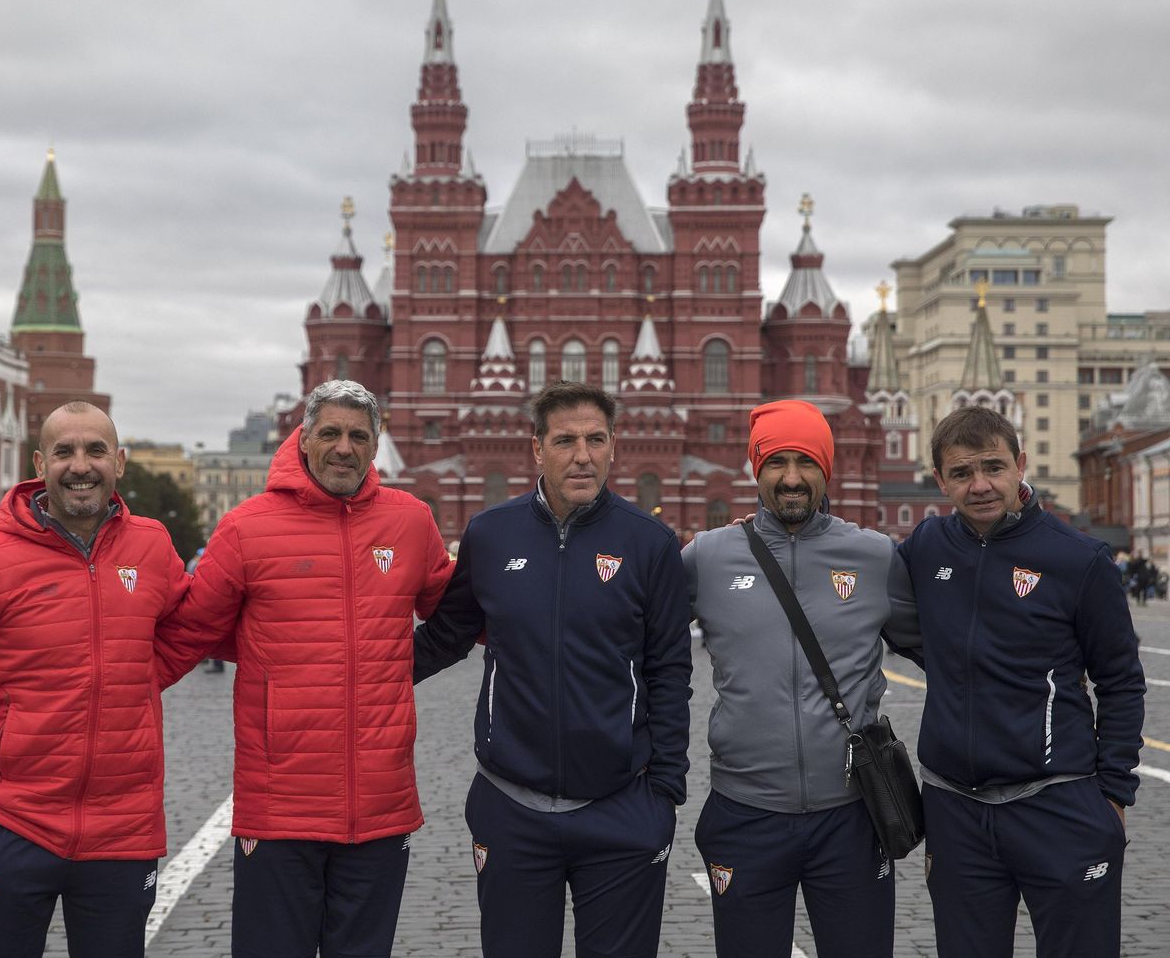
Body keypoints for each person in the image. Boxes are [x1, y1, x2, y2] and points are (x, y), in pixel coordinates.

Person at [153, 379, 453, 958]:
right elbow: (190, 630)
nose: (344, 447)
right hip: (278, 804)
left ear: (375, 445)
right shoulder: (247, 526)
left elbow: (459, 612)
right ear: (305, 440)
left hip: (380, 804)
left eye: (358, 436)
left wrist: (402, 664)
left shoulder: (410, 521)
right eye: (331, 434)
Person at [411, 381, 693, 958]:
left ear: (615, 446)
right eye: (565, 440)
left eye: (595, 439)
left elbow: (670, 669)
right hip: (511, 805)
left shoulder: (651, 543)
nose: (582, 455)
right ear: (536, 449)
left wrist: (662, 794)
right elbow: (445, 638)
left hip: (621, 809)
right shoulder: (491, 535)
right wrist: (348, 668)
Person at [0, 402, 194, 958]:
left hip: (123, 832)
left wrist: (140, 674)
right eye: (64, 451)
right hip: (13, 825)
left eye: (95, 451)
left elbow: (191, 628)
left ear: (120, 463)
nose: (80, 465)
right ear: (40, 462)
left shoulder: (153, 546)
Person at [898, 405, 1145, 958]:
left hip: (1056, 802)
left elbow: (1122, 681)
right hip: (954, 807)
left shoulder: (1079, 559)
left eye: (994, 467)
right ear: (940, 480)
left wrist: (1113, 795)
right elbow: (863, 595)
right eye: (961, 473)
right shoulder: (925, 546)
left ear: (1021, 465)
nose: (980, 485)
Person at [681, 399, 919, 958]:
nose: (792, 478)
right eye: (776, 462)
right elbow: (639, 645)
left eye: (807, 462)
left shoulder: (874, 556)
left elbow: (946, 651)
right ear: (755, 470)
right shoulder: (708, 558)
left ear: (827, 470)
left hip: (853, 815)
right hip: (745, 811)